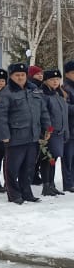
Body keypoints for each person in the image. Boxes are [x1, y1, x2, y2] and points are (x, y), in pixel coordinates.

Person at [0, 62, 50, 204]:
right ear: (11, 76)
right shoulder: (5, 93)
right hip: (15, 137)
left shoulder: (34, 90)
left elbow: (42, 110)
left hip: (32, 136)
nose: (20, 77)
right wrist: (4, 136)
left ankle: (26, 192)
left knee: (28, 167)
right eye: (17, 75)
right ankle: (13, 194)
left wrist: (47, 127)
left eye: (23, 75)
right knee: (12, 168)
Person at [41, 68, 69, 197]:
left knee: (54, 159)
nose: (55, 82)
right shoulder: (44, 95)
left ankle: (51, 184)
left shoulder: (58, 94)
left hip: (59, 132)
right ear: (46, 81)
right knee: (47, 159)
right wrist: (47, 129)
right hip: (50, 133)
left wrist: (65, 131)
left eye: (57, 79)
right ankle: (46, 185)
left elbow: (64, 115)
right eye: (52, 79)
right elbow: (44, 114)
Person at [62, 60, 74, 192]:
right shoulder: (65, 88)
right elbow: (65, 108)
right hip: (69, 127)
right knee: (68, 158)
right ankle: (68, 183)